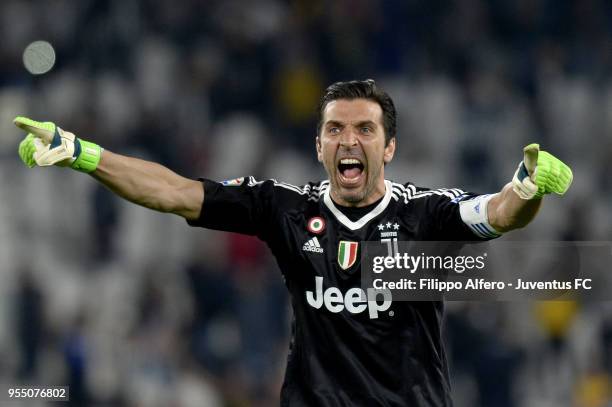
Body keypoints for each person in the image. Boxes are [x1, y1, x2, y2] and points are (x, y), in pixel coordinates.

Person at [15, 79, 572, 406]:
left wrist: (528, 186)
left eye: (365, 129)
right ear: (319, 144)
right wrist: (82, 153)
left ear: (391, 147)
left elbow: (500, 213)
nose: (348, 140)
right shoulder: (285, 207)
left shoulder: (423, 213)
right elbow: (174, 192)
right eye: (335, 129)